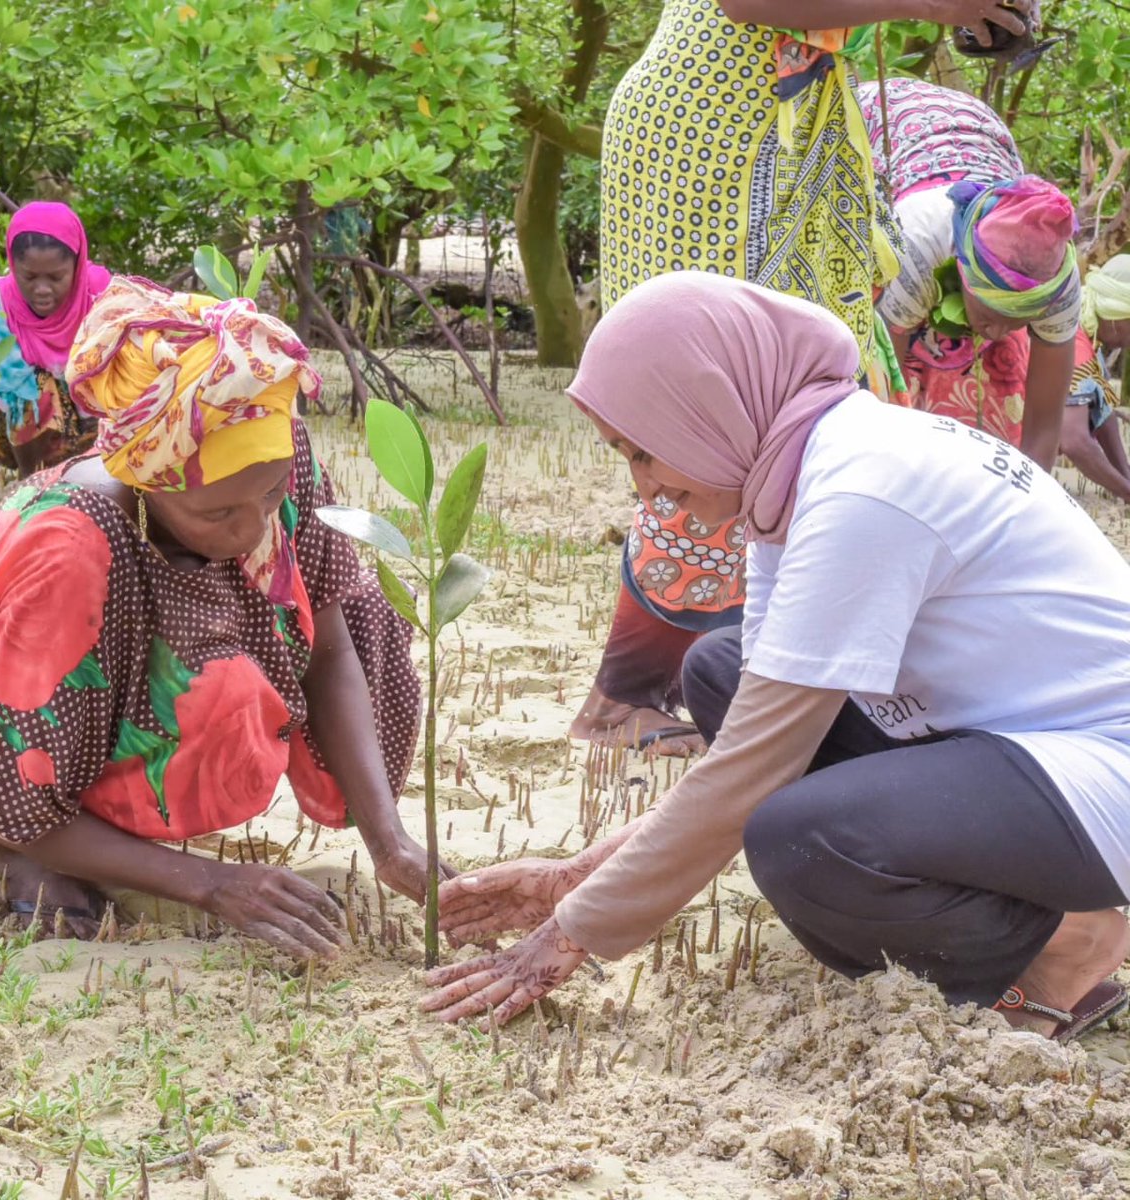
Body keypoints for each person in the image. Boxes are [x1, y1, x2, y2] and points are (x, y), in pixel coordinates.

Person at [422, 273, 1130, 1043]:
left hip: (1097, 768)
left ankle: (1065, 949)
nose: (648, 490)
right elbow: (754, 743)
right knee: (721, 671)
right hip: (1005, 742)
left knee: (804, 842)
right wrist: (575, 877)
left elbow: (754, 775)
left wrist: (568, 931)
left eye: (646, 451)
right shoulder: (794, 477)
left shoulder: (863, 491)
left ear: (708, 407)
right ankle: (1041, 914)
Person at [571, 2, 1040, 756]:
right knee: (713, 420)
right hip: (718, 134)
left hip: (782, 131)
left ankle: (757, 680)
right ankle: (622, 696)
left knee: (784, 415)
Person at [0, 276, 439, 957]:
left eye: (268, 494)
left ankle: (86, 832)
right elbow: (10, 775)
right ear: (147, 483)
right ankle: (19, 847)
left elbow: (332, 650)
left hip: (69, 699)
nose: (253, 526)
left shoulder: (276, 458)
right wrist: (211, 883)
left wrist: (393, 843)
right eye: (217, 513)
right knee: (215, 693)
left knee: (361, 601)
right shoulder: (71, 549)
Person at [858, 77, 1079, 469]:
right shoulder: (914, 246)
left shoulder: (1058, 282)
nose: (995, 332)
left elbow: (1043, 429)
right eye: (992, 317)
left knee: (1004, 381)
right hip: (886, 125)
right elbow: (880, 396)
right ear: (965, 271)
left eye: (1017, 322)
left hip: (983, 135)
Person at [0, 202, 112, 499]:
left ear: (77, 265)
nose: (43, 289)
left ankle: (86, 478)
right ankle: (31, 481)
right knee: (32, 383)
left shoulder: (104, 300)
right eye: (30, 277)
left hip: (98, 444)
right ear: (13, 264)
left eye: (56, 277)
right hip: (14, 442)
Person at [1059, 255, 1130, 503]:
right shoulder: (1072, 342)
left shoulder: (1088, 331)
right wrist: (1127, 492)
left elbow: (1104, 413)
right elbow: (1075, 443)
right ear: (1116, 315)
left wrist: (1125, 478)